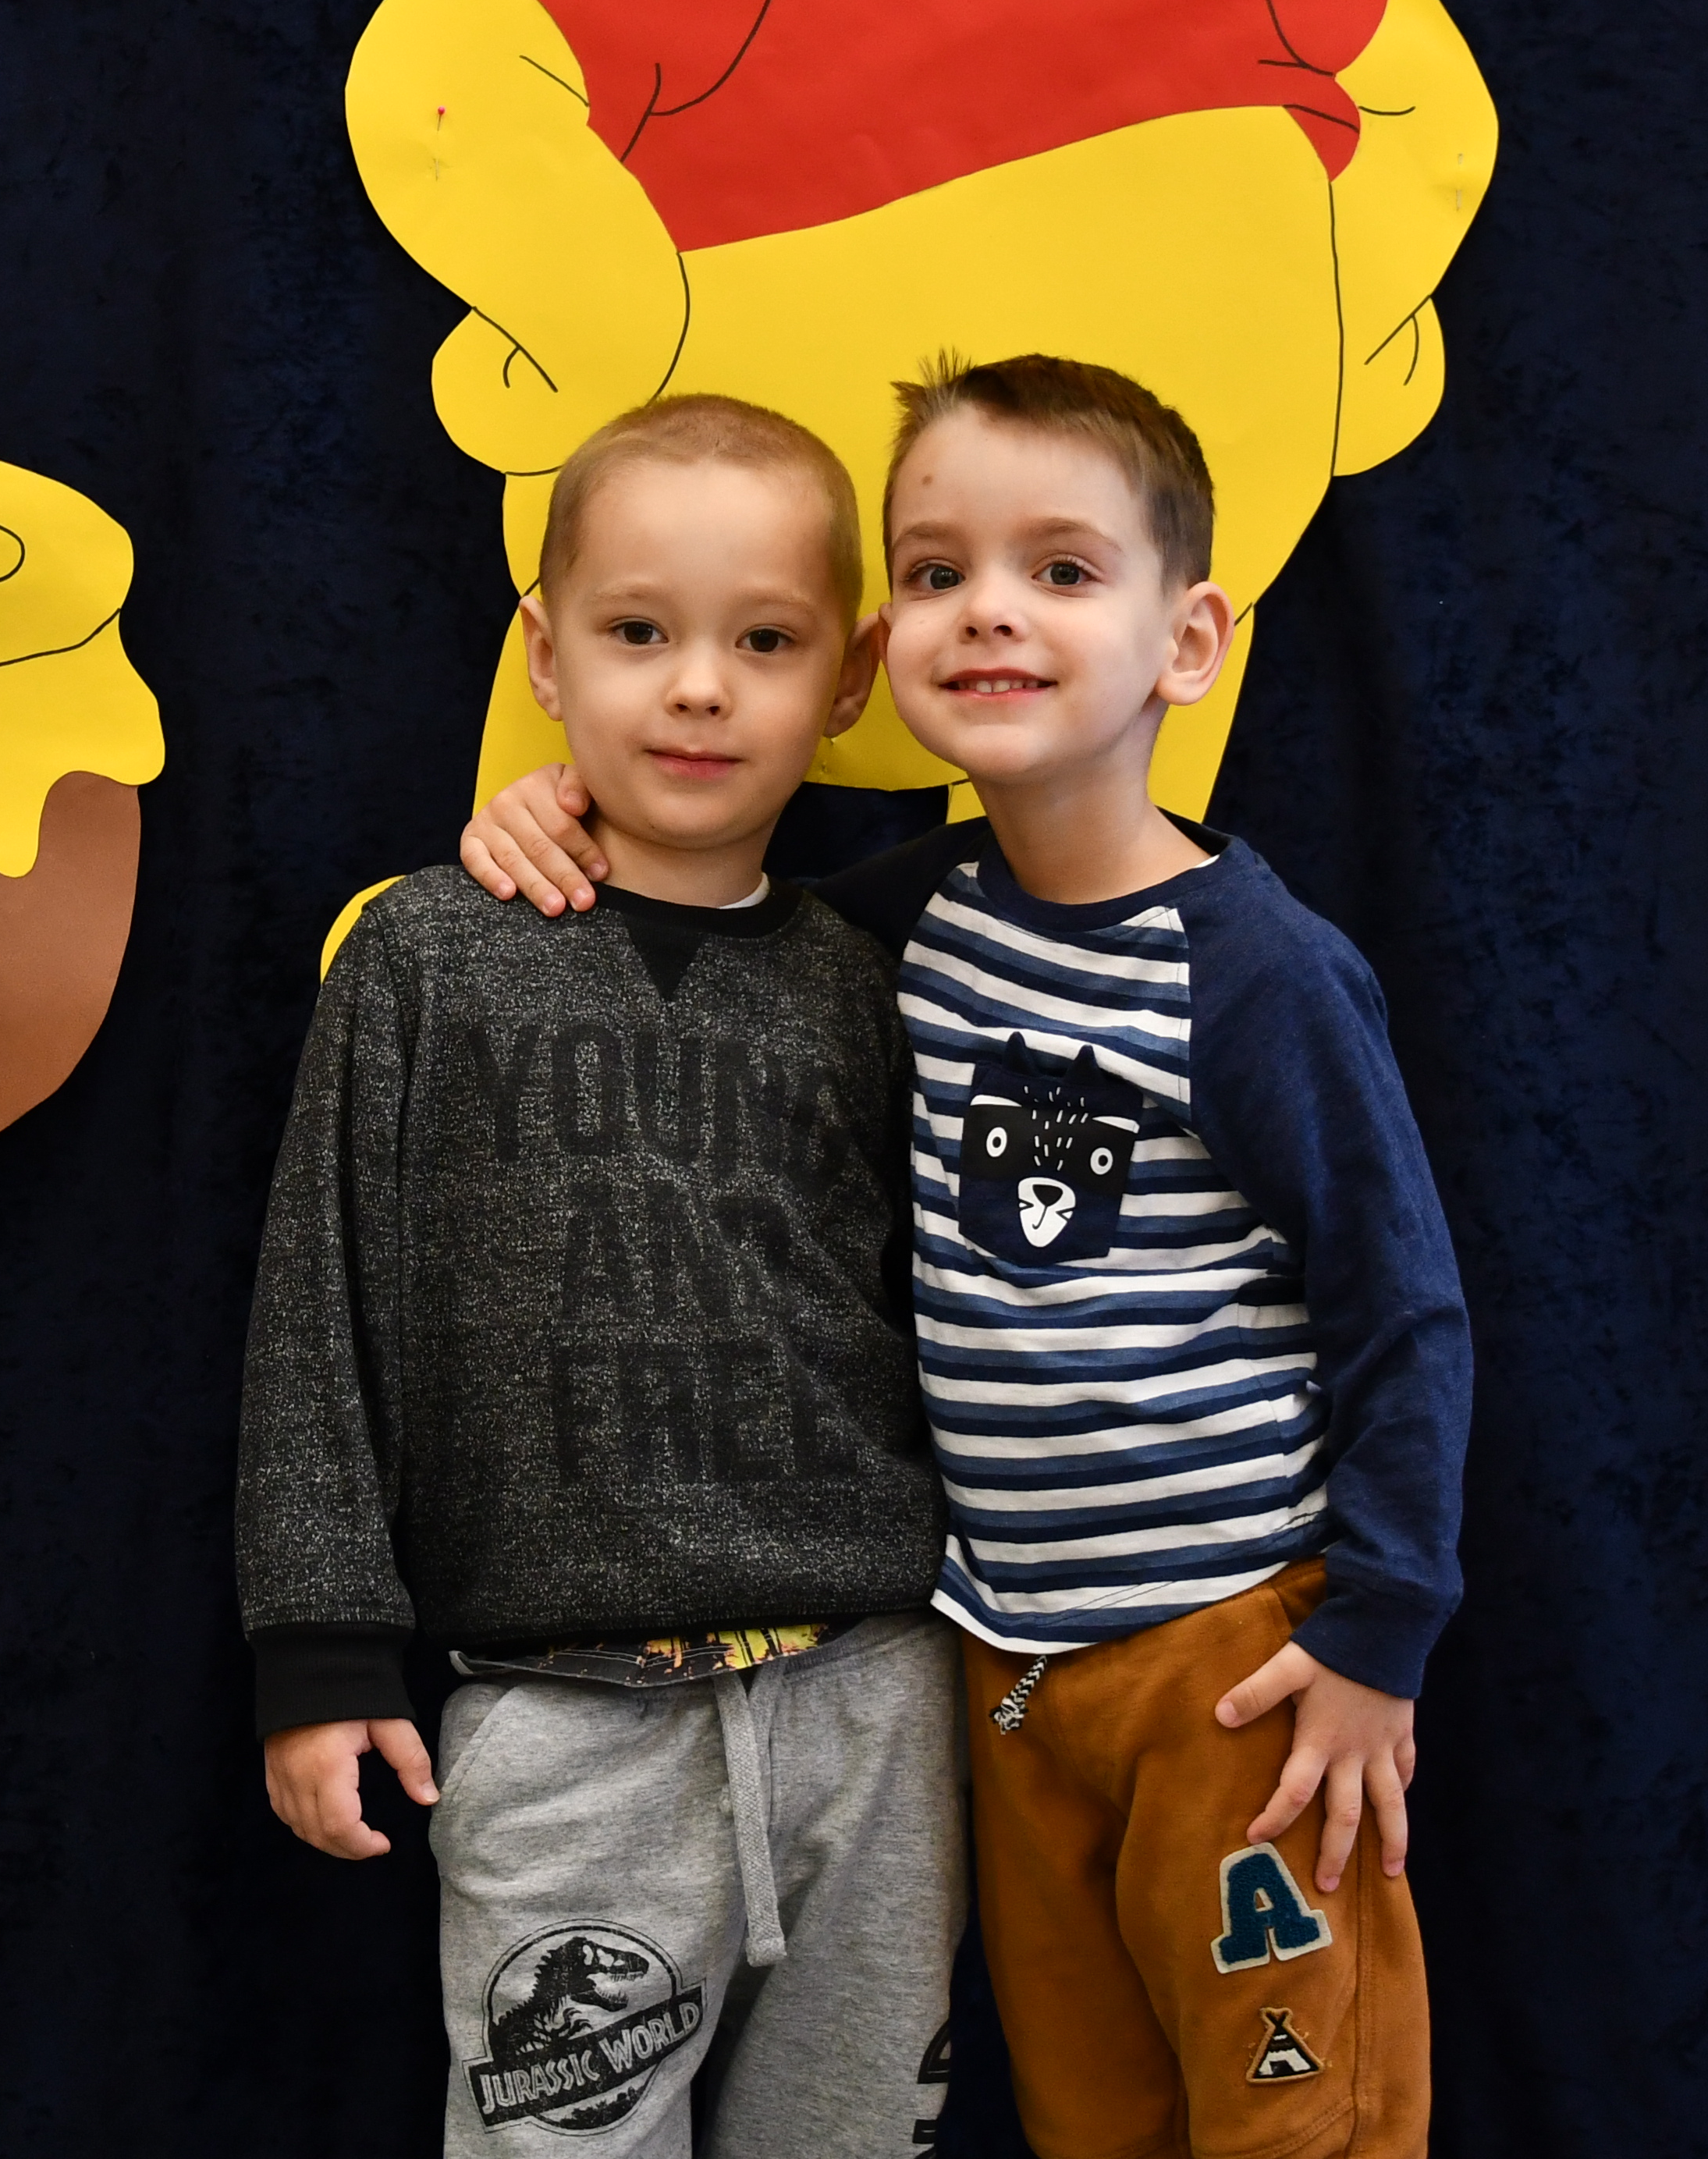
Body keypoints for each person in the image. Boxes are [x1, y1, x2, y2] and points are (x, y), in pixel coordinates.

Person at [463, 353, 1471, 2157]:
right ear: (884, 640)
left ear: (1188, 639)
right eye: (937, 570)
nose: (989, 607)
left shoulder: (1253, 972)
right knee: (1087, 2114)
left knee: (1295, 2119)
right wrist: (558, 818)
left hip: (1231, 1656)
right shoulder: (914, 924)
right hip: (1004, 1667)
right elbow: (701, 907)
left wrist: (1380, 1629)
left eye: (1060, 569)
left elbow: (1400, 1307)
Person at [237, 394, 965, 2157]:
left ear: (852, 677)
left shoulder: (884, 975)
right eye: (639, 631)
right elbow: (321, 1310)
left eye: (765, 640)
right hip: (562, 1716)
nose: (700, 687)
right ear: (545, 655)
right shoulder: (428, 954)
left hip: (875, 1708)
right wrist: (320, 1651)